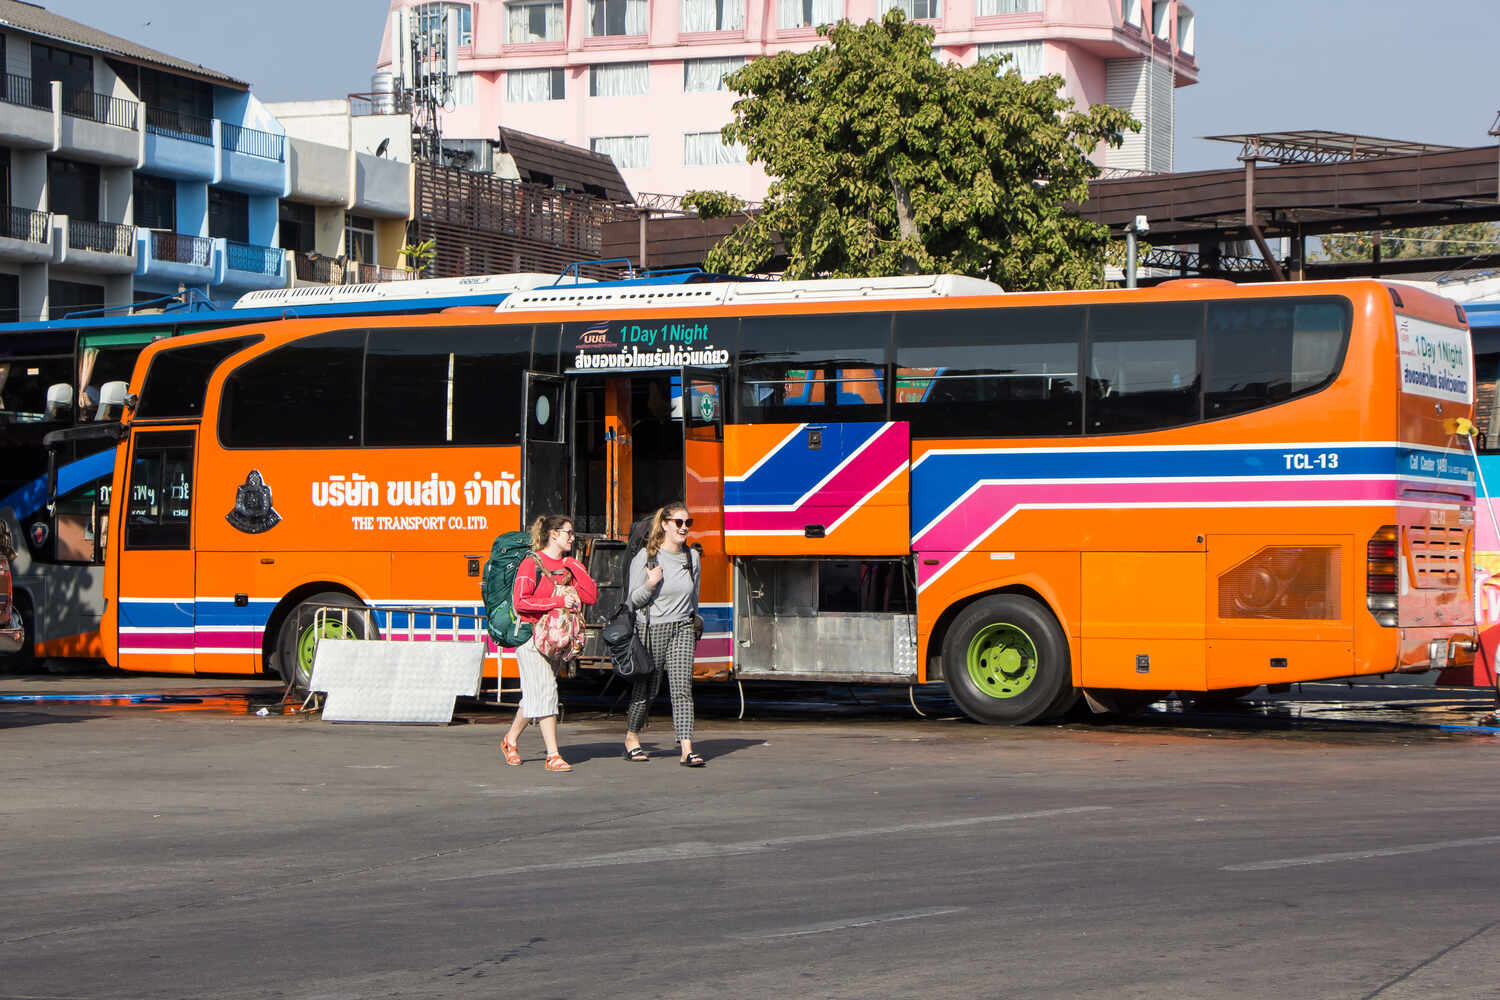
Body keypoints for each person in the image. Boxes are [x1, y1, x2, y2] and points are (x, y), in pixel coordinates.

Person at [501, 514, 597, 772]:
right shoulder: (531, 563)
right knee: (546, 692)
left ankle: (510, 740)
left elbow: (590, 595)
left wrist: (574, 567)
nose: (572, 537)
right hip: (531, 639)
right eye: (569, 533)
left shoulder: (568, 565)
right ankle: (553, 755)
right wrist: (558, 601)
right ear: (553, 534)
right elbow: (521, 602)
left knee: (535, 693)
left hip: (556, 641)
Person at [622, 501, 705, 767]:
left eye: (688, 523)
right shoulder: (647, 558)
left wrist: (694, 622)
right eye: (679, 523)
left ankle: (686, 748)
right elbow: (632, 600)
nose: (684, 528)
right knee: (648, 688)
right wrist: (650, 583)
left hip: (682, 627)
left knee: (682, 688)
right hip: (652, 627)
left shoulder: (691, 558)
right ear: (666, 525)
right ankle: (632, 737)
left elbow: (694, 596)